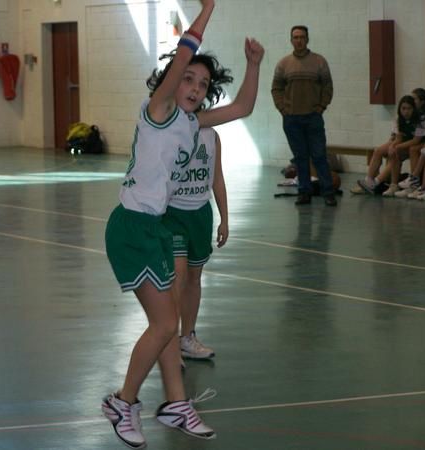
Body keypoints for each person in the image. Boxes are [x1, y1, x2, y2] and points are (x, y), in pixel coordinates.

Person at [101, 1, 264, 448]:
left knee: (168, 323)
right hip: (130, 227)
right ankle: (123, 401)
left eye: (202, 83)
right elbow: (184, 52)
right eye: (187, 78)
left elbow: (245, 107)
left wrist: (254, 65)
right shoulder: (157, 111)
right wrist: (208, 9)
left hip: (150, 227)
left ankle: (175, 403)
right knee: (163, 325)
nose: (194, 86)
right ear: (172, 82)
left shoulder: (192, 124)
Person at [163, 125, 227, 362]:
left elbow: (217, 177)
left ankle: (186, 338)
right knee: (177, 276)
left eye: (203, 85)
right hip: (172, 213)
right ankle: (168, 343)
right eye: (189, 84)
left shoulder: (212, 136)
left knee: (194, 277)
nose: (196, 90)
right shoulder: (168, 129)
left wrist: (225, 219)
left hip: (200, 214)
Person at [271, 25, 337, 206]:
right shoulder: (283, 64)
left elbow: (328, 86)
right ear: (291, 40)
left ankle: (328, 193)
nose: (298, 40)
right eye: (295, 37)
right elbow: (276, 89)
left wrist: (321, 106)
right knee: (300, 157)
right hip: (291, 118)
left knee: (319, 156)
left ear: (307, 39)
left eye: (302, 37)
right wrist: (283, 109)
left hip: (313, 117)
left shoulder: (319, 62)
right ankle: (304, 192)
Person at [353, 95, 425, 196]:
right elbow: (398, 139)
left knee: (398, 151)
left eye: (409, 108)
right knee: (378, 150)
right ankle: (369, 181)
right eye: (403, 108)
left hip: (419, 144)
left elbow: (416, 140)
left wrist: (396, 147)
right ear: (400, 109)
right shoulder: (399, 119)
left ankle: (382, 182)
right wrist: (393, 146)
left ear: (414, 108)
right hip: (405, 142)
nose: (406, 111)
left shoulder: (421, 118)